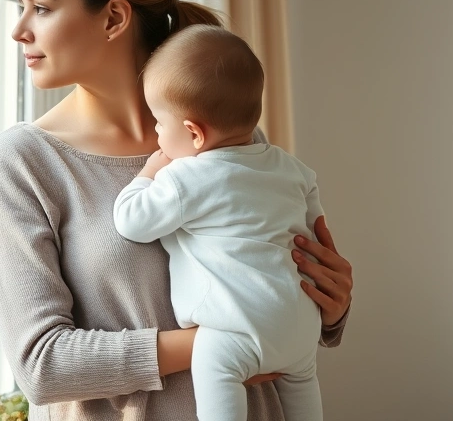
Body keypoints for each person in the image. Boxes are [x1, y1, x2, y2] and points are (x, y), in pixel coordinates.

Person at [0, 0, 353, 421]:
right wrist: (217, 345)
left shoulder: (216, 133)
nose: (20, 29)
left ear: (113, 17)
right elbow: (42, 365)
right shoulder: (23, 163)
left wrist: (328, 306)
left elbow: (275, 276)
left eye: (40, 7)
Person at [114, 24, 325, 421]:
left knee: (213, 366)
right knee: (303, 385)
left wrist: (148, 173)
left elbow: (131, 221)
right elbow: (314, 223)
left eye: (159, 122)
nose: (156, 133)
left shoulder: (187, 176)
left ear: (194, 134)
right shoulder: (291, 168)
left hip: (234, 328)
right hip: (299, 323)